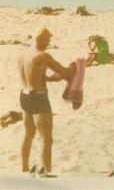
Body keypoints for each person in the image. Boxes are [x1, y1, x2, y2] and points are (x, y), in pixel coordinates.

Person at [18, 28, 74, 175]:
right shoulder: (43, 56)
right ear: (40, 39)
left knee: (28, 134)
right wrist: (77, 66)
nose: (48, 44)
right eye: (47, 41)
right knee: (46, 139)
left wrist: (50, 78)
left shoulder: (23, 54)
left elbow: (32, 75)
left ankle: (24, 169)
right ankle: (46, 173)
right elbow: (66, 72)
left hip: (24, 95)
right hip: (39, 97)